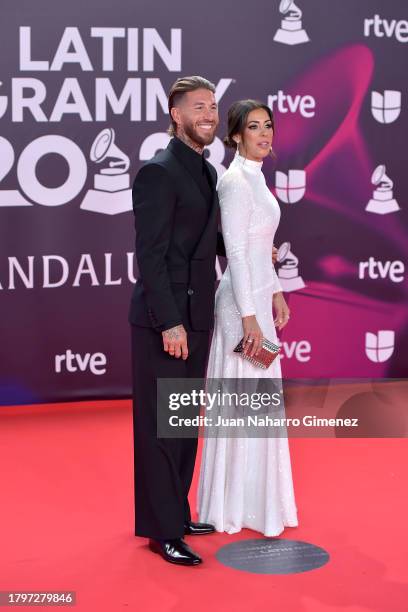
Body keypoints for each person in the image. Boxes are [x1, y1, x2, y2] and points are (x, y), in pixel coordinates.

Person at [129, 75, 229, 566]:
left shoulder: (208, 172)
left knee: (185, 421)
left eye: (213, 106)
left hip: (198, 315)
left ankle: (174, 512)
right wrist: (169, 322)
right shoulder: (159, 171)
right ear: (176, 113)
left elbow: (209, 241)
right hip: (163, 321)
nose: (209, 114)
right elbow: (148, 257)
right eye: (199, 107)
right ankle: (162, 530)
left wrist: (255, 253)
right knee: (161, 427)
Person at [198, 100, 298, 536]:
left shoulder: (257, 179)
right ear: (235, 135)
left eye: (268, 126)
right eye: (254, 127)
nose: (265, 133)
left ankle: (258, 502)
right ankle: (230, 505)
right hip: (241, 308)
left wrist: (275, 289)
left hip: (257, 301)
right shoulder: (236, 182)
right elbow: (236, 253)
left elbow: (260, 248)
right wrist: (250, 316)